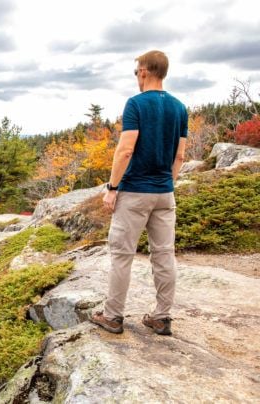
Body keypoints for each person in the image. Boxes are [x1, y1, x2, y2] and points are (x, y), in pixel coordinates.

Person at [89, 50, 188, 336]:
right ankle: (161, 317)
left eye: (136, 72)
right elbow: (179, 156)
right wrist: (165, 183)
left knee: (122, 255)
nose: (136, 77)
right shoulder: (180, 108)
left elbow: (126, 149)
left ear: (144, 71)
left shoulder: (135, 105)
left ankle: (113, 316)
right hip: (164, 193)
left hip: (134, 192)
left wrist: (113, 187)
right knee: (164, 254)